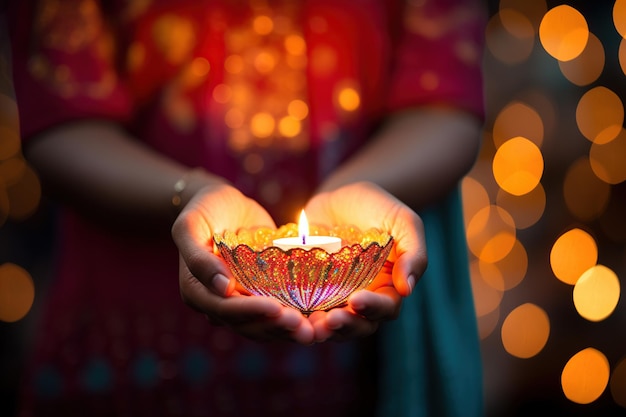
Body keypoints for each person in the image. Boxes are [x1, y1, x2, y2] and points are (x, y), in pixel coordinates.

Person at [7, 0, 486, 416]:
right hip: (121, 350)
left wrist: (359, 184)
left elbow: (443, 97)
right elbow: (60, 118)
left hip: (352, 374)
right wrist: (186, 195)